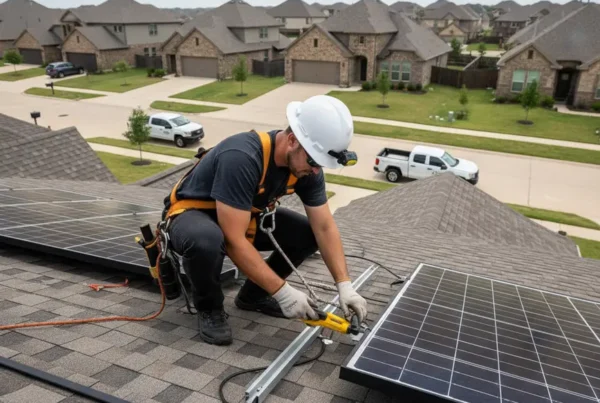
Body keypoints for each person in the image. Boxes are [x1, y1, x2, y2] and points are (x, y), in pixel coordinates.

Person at [161, 95, 368, 346]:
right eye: (314, 161)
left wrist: (344, 284)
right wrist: (283, 291)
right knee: (207, 240)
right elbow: (234, 240)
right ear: (292, 140)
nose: (316, 170)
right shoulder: (242, 157)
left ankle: (253, 296)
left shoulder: (308, 167)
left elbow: (324, 226)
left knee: (307, 234)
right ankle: (210, 308)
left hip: (240, 216)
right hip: (192, 216)